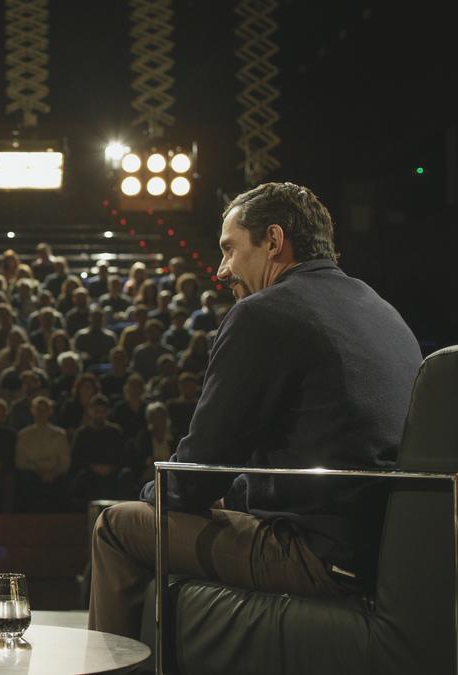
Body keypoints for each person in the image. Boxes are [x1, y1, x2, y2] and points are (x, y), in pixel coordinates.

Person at [88, 182, 421, 640]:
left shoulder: (264, 313)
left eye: (229, 249)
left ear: (273, 241)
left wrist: (154, 492)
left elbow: (193, 477)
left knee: (117, 524)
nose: (222, 270)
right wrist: (237, 494)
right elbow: (327, 448)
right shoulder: (381, 308)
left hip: (318, 555)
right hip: (385, 554)